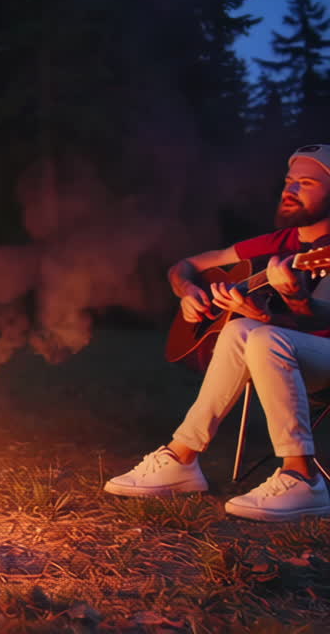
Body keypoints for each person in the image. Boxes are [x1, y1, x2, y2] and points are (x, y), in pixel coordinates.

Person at [104, 143, 330, 521]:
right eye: (289, 181)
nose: (290, 190)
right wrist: (187, 292)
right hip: (295, 358)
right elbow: (186, 266)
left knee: (262, 335)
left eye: (306, 183)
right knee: (242, 327)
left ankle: (303, 477)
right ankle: (182, 458)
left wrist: (293, 303)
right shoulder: (284, 243)